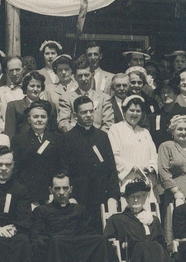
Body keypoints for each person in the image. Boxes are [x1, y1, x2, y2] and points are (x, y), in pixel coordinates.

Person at [29, 172, 118, 262]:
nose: (61, 192)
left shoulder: (79, 210)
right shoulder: (42, 211)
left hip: (79, 248)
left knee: (100, 240)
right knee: (57, 241)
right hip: (57, 249)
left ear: (71, 189)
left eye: (65, 188)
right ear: (50, 190)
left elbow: (89, 232)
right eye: (57, 188)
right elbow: (37, 236)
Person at [103, 179, 173, 262]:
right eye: (132, 197)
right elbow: (107, 241)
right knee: (143, 245)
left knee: (155, 245)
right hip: (134, 260)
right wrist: (120, 244)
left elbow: (161, 241)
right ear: (127, 200)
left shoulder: (153, 220)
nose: (136, 200)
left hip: (156, 257)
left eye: (139, 197)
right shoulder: (118, 219)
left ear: (145, 199)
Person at [59, 97, 120, 230]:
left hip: (101, 198)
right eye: (84, 112)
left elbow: (111, 169)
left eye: (91, 111)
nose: (88, 115)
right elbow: (64, 171)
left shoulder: (102, 137)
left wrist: (113, 196)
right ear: (75, 115)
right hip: (79, 199)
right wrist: (71, 197)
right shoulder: (67, 139)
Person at [11, 101, 63, 206]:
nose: (39, 120)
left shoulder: (58, 139)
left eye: (43, 117)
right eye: (35, 117)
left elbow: (62, 166)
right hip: (29, 193)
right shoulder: (19, 140)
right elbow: (17, 169)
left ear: (48, 119)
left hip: (52, 192)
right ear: (29, 119)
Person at [108, 95, 159, 194]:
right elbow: (114, 156)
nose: (135, 114)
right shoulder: (115, 129)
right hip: (127, 180)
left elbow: (154, 155)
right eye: (131, 110)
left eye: (138, 111)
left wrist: (151, 168)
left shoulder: (145, 132)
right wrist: (134, 168)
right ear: (124, 112)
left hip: (146, 181)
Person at [59, 59, 113, 132]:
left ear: (92, 74)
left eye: (86, 75)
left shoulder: (104, 98)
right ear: (75, 77)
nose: (83, 79)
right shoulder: (66, 98)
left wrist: (98, 138)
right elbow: (63, 122)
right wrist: (76, 137)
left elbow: (108, 123)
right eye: (80, 76)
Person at [4, 70, 56, 138]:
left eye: (38, 86)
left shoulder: (50, 106)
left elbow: (54, 131)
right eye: (32, 86)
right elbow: (10, 133)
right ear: (26, 87)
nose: (35, 89)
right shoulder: (14, 106)